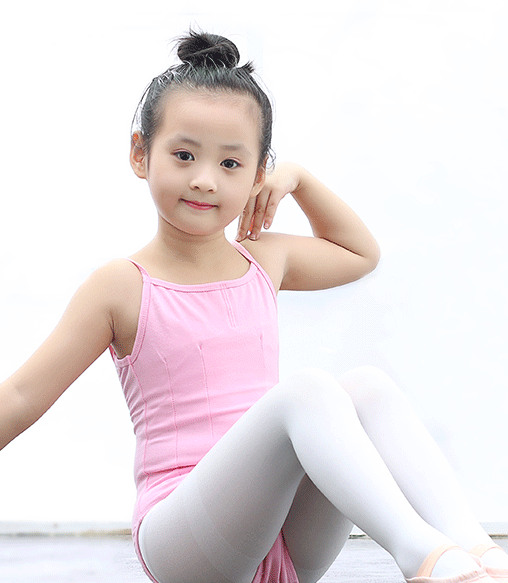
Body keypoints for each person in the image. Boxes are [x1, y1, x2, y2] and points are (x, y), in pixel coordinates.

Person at [0, 29, 507, 583]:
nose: (204, 180)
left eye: (231, 164)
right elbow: (22, 395)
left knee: (366, 387)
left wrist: (300, 180)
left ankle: (476, 551)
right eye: (184, 155)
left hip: (284, 538)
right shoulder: (122, 285)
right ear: (141, 154)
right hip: (184, 542)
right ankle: (424, 558)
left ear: (259, 173)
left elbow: (360, 254)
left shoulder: (264, 260)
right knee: (307, 390)